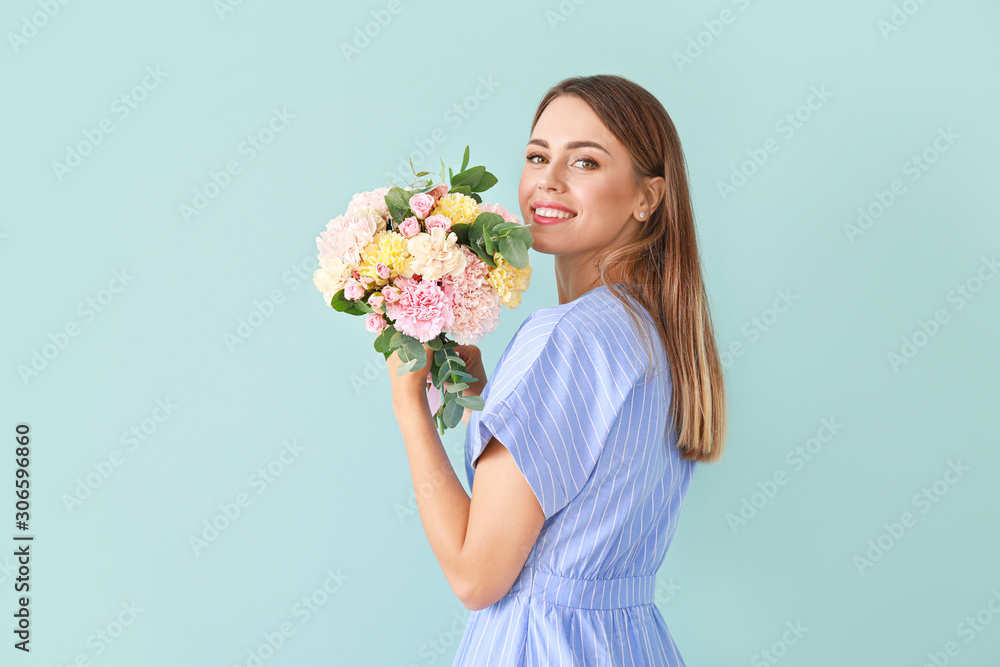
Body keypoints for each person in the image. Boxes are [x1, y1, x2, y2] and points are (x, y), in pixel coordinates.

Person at [388, 74, 728, 666]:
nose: (548, 179)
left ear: (648, 197)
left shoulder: (565, 337)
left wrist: (407, 406)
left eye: (586, 163)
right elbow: (579, 499)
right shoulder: (655, 333)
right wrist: (492, 397)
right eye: (538, 155)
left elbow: (477, 578)